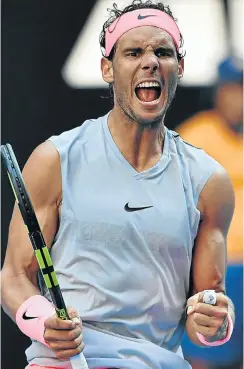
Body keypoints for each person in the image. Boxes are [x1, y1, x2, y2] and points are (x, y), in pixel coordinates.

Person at [1, 1, 236, 369]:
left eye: (163, 51)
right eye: (133, 52)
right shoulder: (55, 160)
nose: (150, 61)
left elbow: (206, 310)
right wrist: (42, 321)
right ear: (107, 68)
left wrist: (215, 321)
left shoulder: (209, 182)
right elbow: (14, 276)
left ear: (180, 67)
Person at [177, 56, 243, 263]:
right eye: (231, 90)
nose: (238, 99)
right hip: (215, 262)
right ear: (217, 93)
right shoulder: (194, 137)